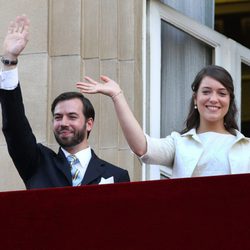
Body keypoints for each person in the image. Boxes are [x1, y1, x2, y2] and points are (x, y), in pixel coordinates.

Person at [0, 15, 130, 189]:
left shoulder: (116, 175)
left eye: (72, 116)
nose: (63, 123)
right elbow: (15, 127)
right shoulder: (37, 163)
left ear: (89, 123)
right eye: (58, 117)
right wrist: (10, 60)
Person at [76, 66, 250, 178]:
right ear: (195, 99)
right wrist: (117, 96)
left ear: (230, 100)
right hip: (189, 228)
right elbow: (142, 147)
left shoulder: (246, 147)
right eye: (206, 92)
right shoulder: (179, 144)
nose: (213, 99)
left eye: (222, 93)